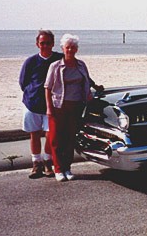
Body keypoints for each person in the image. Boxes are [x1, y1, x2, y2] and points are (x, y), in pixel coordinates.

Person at [45, 33, 103, 182]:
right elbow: (47, 88)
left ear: (76, 49)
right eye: (67, 47)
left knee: (70, 139)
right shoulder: (55, 66)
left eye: (73, 47)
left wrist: (96, 87)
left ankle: (67, 168)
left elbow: (87, 80)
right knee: (56, 139)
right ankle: (58, 169)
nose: (70, 50)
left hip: (76, 106)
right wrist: (49, 108)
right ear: (63, 49)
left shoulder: (81, 65)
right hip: (59, 106)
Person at [19, 30, 63, 179]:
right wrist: (32, 94)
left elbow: (76, 70)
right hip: (32, 103)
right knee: (35, 134)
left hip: (52, 105)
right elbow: (23, 82)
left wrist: (93, 86)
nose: (45, 46)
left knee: (51, 135)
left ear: (53, 43)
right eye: (42, 43)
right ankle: (36, 163)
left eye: (48, 43)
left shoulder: (59, 59)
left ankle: (47, 161)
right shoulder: (30, 61)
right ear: (37, 44)